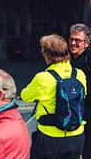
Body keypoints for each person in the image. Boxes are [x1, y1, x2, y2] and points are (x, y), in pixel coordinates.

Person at [21, 34, 87, 159]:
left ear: (47, 55)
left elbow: (25, 96)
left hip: (50, 137)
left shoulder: (43, 77)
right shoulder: (79, 74)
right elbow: (83, 95)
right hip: (76, 135)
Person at [68, 23, 91, 159]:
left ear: (86, 43)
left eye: (78, 40)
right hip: (74, 112)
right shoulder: (66, 59)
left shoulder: (89, 59)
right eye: (71, 39)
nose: (73, 43)